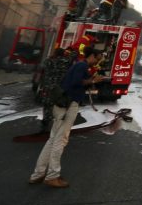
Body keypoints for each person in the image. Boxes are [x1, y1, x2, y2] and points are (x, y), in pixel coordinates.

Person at [29, 47, 105, 188]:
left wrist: (91, 80)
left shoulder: (80, 65)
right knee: (60, 140)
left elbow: (78, 83)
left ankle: (38, 174)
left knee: (52, 140)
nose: (98, 62)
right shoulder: (82, 65)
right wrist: (93, 80)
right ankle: (52, 176)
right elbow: (77, 83)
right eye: (98, 58)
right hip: (68, 105)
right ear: (92, 56)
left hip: (63, 104)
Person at [39, 48, 74, 132]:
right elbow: (72, 57)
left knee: (47, 105)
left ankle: (46, 122)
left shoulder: (48, 61)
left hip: (48, 86)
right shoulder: (65, 61)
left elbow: (42, 69)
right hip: (59, 88)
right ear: (62, 54)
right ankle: (59, 124)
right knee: (60, 105)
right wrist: (70, 52)